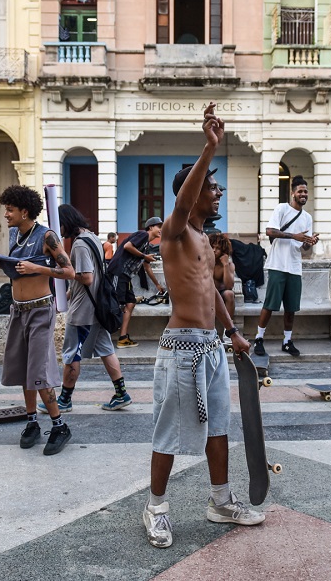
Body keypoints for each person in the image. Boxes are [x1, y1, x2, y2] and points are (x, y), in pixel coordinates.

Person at [143, 103, 262, 550]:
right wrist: (209, 148)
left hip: (211, 347)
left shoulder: (207, 243)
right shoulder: (174, 231)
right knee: (169, 433)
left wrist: (231, 332)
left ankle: (220, 501)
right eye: (212, 187)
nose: (219, 192)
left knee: (219, 429)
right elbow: (181, 201)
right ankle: (155, 508)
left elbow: (211, 294)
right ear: (193, 193)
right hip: (180, 348)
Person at [0, 184, 76, 455]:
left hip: (40, 310)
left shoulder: (47, 236)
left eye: (10, 209)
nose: (6, 214)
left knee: (38, 370)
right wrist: (2, 264)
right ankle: (31, 422)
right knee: (22, 368)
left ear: (25, 211)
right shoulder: (14, 234)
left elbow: (69, 271)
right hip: (18, 309)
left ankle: (59, 425)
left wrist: (38, 267)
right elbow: (18, 271)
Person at [39, 203, 132, 414]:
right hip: (97, 307)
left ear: (66, 223)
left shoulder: (80, 245)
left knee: (71, 354)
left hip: (83, 311)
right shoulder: (92, 237)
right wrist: (68, 293)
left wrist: (58, 271)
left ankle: (64, 399)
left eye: (59, 226)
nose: (57, 232)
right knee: (107, 350)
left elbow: (87, 278)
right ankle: (121, 393)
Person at [252, 175, 318, 360]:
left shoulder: (307, 217)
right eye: (300, 191)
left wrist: (309, 242)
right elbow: (269, 231)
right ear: (293, 193)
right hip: (277, 264)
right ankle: (258, 338)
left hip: (295, 267)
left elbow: (303, 247)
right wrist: (293, 236)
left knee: (291, 308)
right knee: (270, 305)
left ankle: (287, 341)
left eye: (306, 191)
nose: (304, 194)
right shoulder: (281, 208)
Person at [106, 217, 166, 348]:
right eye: (158, 226)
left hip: (126, 277)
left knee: (130, 303)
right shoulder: (142, 235)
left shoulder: (146, 246)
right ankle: (100, 337)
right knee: (114, 305)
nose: (161, 229)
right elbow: (128, 246)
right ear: (150, 227)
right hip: (118, 272)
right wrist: (144, 256)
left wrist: (157, 284)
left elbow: (147, 266)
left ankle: (123, 338)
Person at [210, 232, 235, 322]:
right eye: (212, 247)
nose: (214, 250)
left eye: (218, 248)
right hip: (206, 292)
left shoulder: (229, 264)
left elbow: (229, 286)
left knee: (230, 294)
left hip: (220, 293)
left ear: (223, 250)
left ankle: (228, 329)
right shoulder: (204, 262)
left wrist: (225, 265)